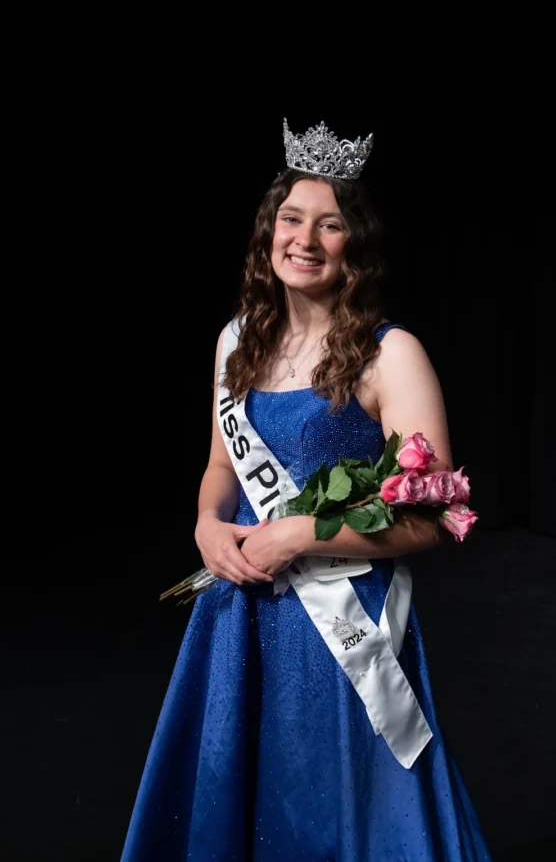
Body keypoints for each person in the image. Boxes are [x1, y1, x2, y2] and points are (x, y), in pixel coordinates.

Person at [121, 120, 492, 861]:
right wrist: (204, 523)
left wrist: (300, 532)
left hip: (341, 621)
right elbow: (223, 467)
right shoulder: (238, 340)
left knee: (345, 808)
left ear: (357, 242)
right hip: (242, 609)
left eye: (330, 225)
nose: (305, 239)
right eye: (291, 219)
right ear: (269, 231)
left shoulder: (392, 354)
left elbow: (437, 513)